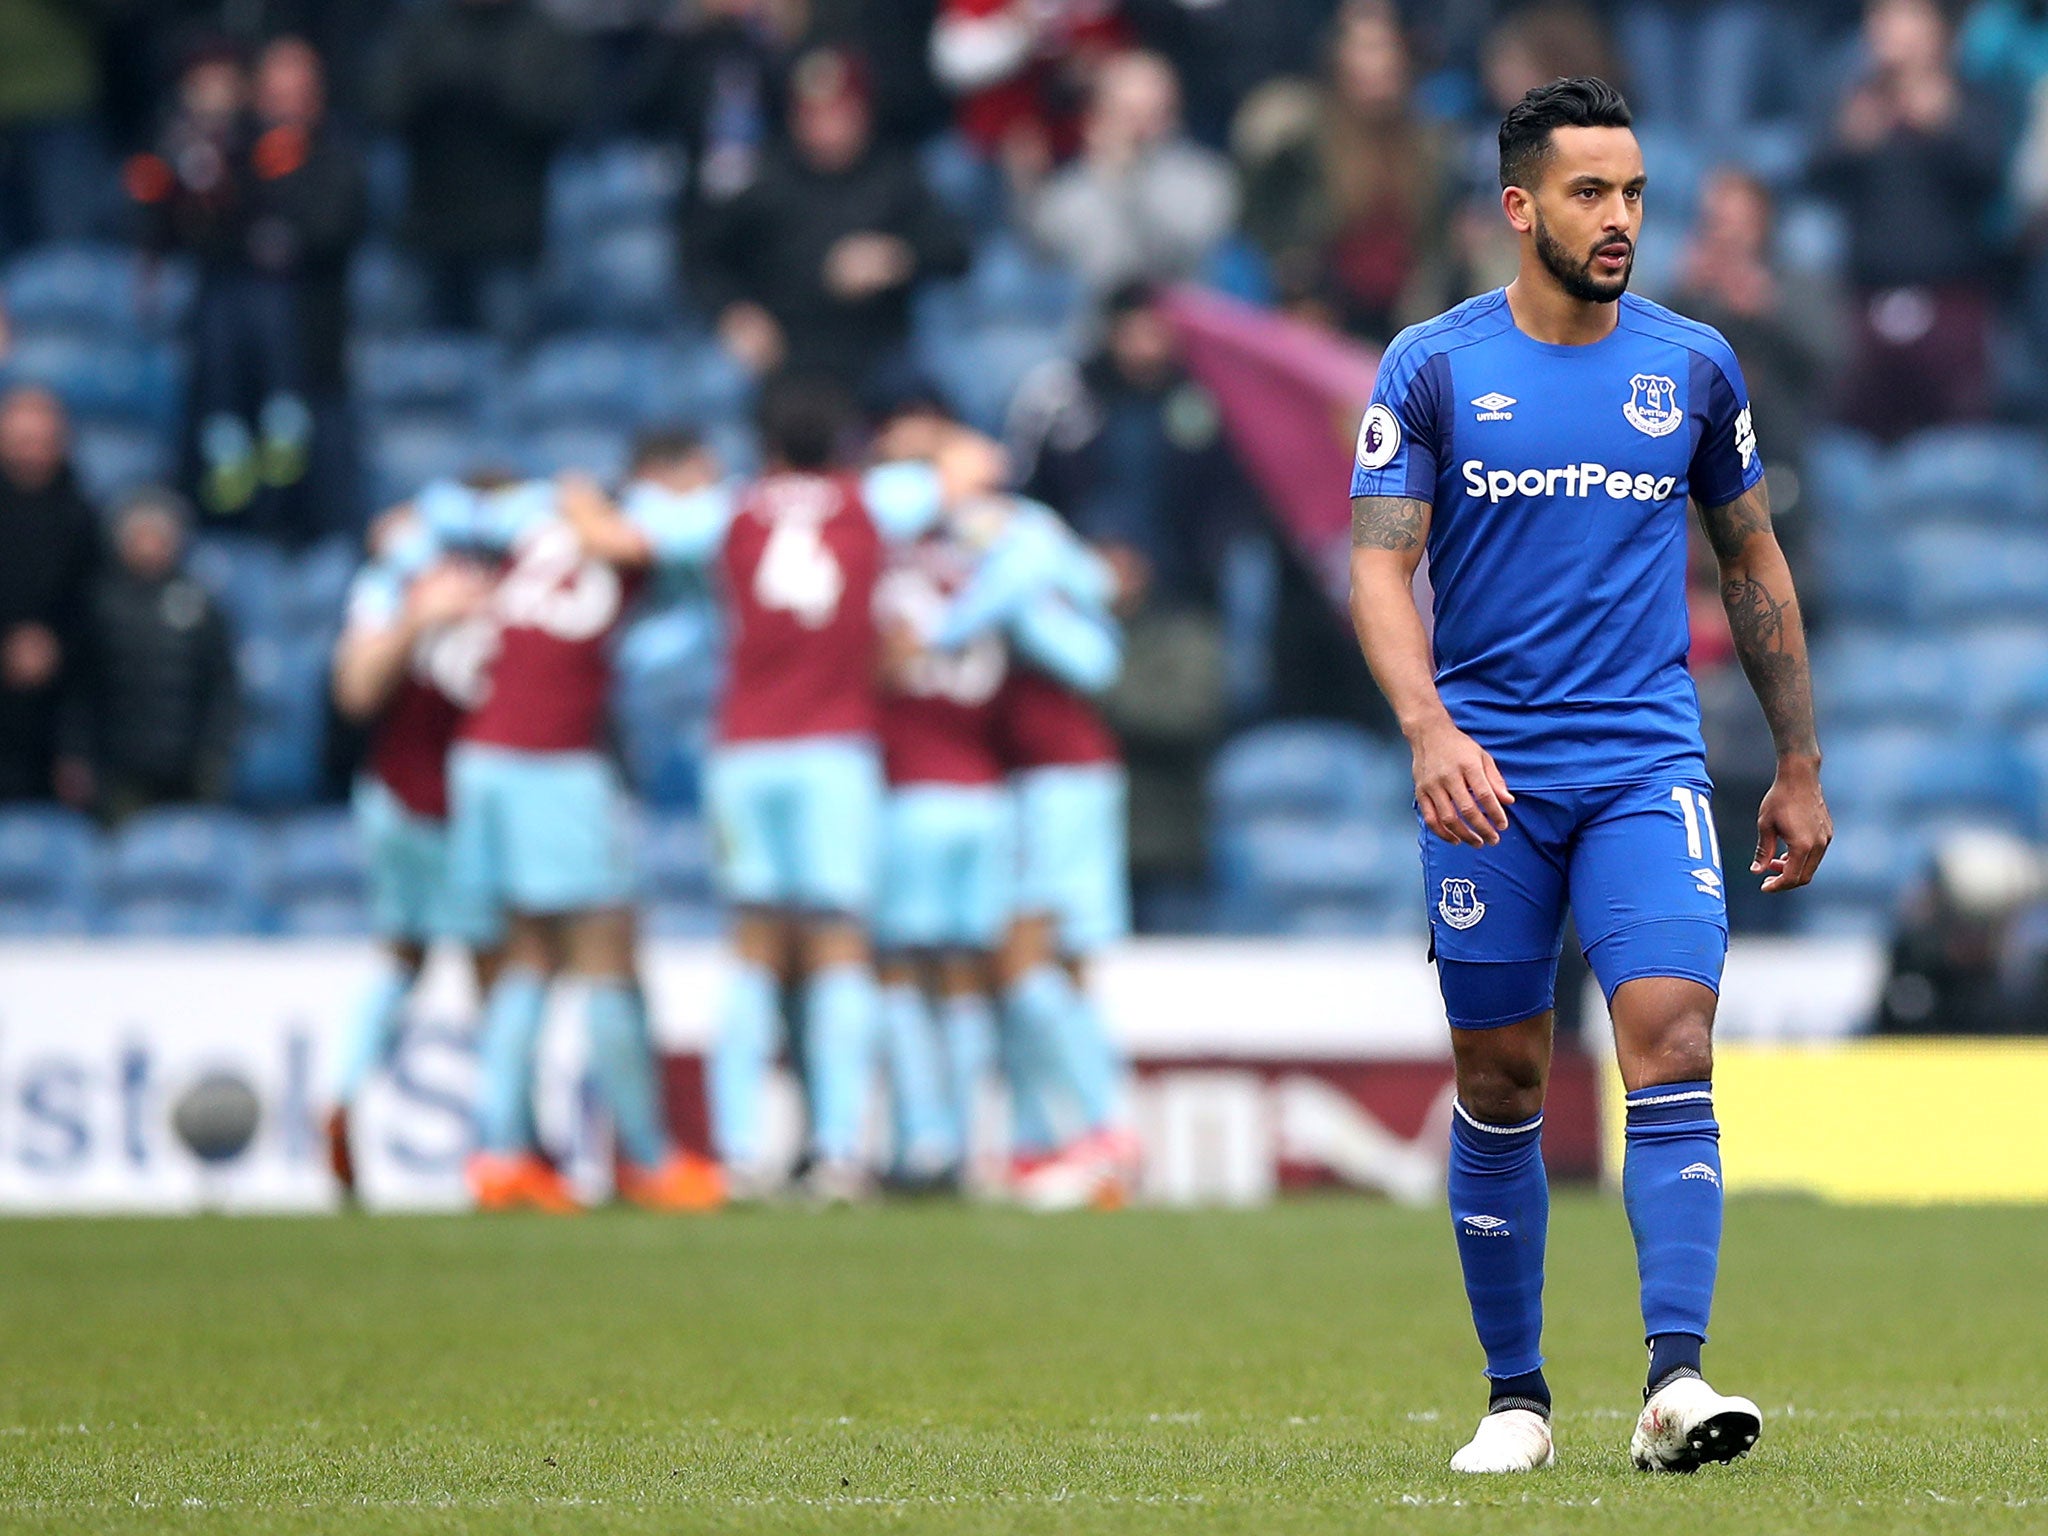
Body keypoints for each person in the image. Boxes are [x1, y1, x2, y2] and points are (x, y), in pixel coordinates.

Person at [1347, 77, 1831, 1474]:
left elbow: (1751, 557)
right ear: (1519, 207)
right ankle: (1516, 1399)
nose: (1618, 218)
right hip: (1486, 777)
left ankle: (1675, 1382)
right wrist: (1428, 729)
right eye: (1587, 193)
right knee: (1502, 1076)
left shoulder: (1694, 367)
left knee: (1670, 1035)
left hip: (1642, 762)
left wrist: (1797, 762)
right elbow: (1377, 568)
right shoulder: (1432, 366)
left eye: (1631, 193)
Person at [556, 379, 957, 1200]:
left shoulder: (725, 509)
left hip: (745, 751)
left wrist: (572, 497)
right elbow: (972, 469)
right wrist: (910, 453)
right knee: (840, 943)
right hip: (835, 752)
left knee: (753, 947)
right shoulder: (874, 501)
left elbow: (613, 539)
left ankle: (737, 1153)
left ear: (764, 446)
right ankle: (838, 1151)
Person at [417, 434, 730, 1214]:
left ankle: (500, 1155)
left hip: (483, 754)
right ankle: (648, 1159)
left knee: (527, 956)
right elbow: (676, 538)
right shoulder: (633, 532)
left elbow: (438, 515)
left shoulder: (534, 526)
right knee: (605, 955)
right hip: (550, 761)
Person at [326, 525, 501, 1201]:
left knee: (400, 958)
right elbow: (356, 692)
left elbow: (354, 690)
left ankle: (342, 1092)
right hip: (464, 807)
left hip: (392, 797)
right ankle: (504, 1142)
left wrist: (412, 619)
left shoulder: (393, 584)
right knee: (498, 976)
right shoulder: (510, 590)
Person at [128, 38, 367, 532]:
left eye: (296, 94)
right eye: (274, 95)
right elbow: (182, 226)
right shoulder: (225, 150)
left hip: (311, 356)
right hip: (228, 363)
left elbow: (327, 229)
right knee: (223, 462)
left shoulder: (336, 153)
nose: (285, 107)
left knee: (306, 481)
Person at [698, 47, 970, 406]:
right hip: (786, 353)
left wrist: (895, 257)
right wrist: (734, 311)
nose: (827, 128)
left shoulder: (894, 174)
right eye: (814, 115)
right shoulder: (763, 179)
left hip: (876, 351)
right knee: (719, 388)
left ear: (863, 113)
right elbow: (703, 257)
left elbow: (956, 251)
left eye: (840, 113)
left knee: (922, 391)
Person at [1810, 0, 2006, 441]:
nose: (1886, 28)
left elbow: (1992, 182)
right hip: (1865, 298)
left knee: (1956, 441)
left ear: (1937, 30)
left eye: (1902, 15)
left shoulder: (1971, 99)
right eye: (1879, 16)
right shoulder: (1855, 100)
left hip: (1951, 297)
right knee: (1856, 435)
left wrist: (1944, 125)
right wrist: (1848, 142)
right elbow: (1813, 181)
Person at [371, 0, 593, 339]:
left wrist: (491, 87)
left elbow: (566, 116)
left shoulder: (543, 35)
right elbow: (381, 107)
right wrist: (441, 84)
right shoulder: (423, 30)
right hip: (427, 234)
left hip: (510, 242)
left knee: (509, 359)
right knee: (412, 362)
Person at [73, 488, 238, 823]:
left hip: (188, 770)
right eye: (141, 535)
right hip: (118, 771)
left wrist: (214, 754)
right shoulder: (98, 604)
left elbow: (222, 686)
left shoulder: (200, 603)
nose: (150, 546)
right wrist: (78, 754)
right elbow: (80, 692)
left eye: (159, 536)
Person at [1021, 50, 1238, 301]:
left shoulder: (1206, 178)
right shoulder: (1073, 187)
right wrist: (1027, 186)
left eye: (1152, 114)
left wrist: (1128, 183)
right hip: (1093, 318)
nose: (1138, 129)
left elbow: (1176, 261)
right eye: (1127, 114)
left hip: (1177, 314)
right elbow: (1043, 254)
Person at [0, 386, 99, 803]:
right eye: (23, 441)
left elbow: (95, 608)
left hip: (58, 709)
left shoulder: (82, 517)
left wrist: (55, 646)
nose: (32, 453)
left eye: (43, 442)